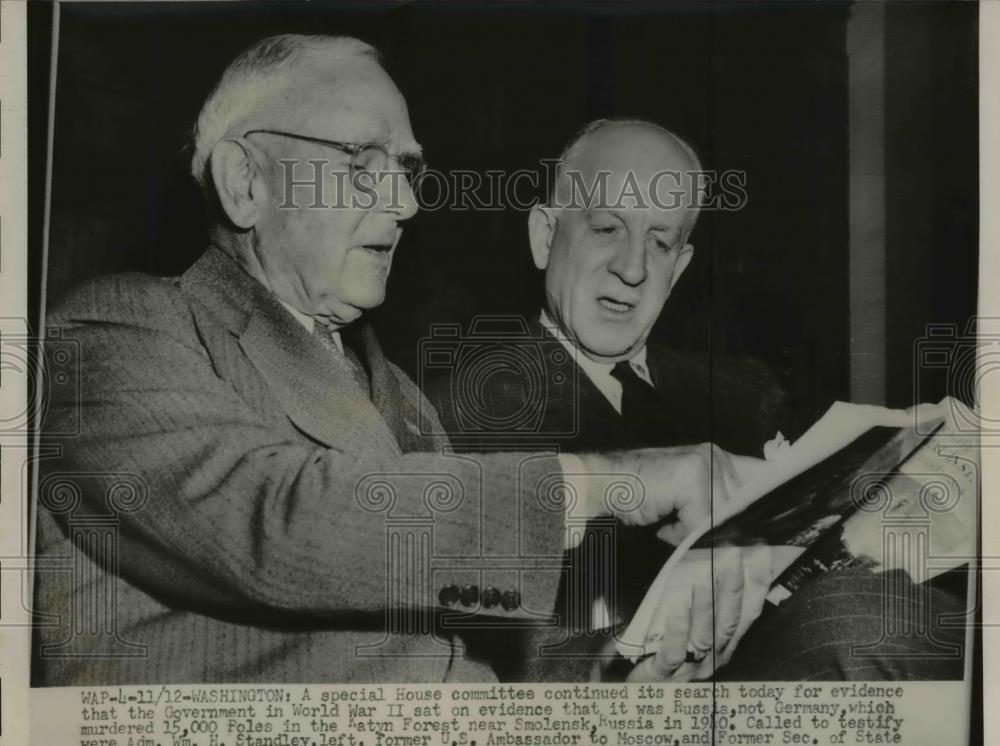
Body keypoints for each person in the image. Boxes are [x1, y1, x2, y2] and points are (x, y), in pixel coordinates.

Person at [32, 35, 761, 686]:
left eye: (409, 169)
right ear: (245, 183)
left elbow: (471, 652)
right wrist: (617, 481)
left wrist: (622, 670)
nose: (407, 202)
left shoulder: (400, 398)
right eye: (361, 163)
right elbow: (277, 523)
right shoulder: (117, 328)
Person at [427, 118, 967, 682]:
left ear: (679, 266)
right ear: (545, 236)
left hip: (797, 665)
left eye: (659, 242)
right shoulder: (457, 415)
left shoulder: (748, 391)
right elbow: (480, 645)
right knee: (870, 626)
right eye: (608, 228)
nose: (633, 268)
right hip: (634, 704)